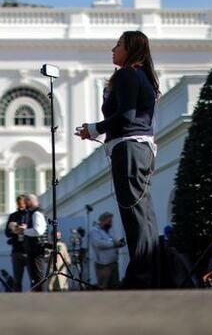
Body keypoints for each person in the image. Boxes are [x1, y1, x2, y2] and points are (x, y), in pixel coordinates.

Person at [76, 31, 161, 288]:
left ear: (130, 49)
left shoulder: (126, 74)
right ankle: (149, 274)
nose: (112, 50)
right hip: (139, 150)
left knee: (133, 215)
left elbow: (126, 116)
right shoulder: (142, 75)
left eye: (118, 45)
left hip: (129, 151)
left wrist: (94, 128)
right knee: (143, 214)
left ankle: (141, 277)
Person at [15, 193, 47, 291]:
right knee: (36, 277)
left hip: (36, 251)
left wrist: (23, 231)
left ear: (30, 201)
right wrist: (26, 228)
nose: (24, 204)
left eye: (26, 201)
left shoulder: (36, 213)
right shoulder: (35, 213)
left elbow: (38, 231)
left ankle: (41, 299)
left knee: (38, 276)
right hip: (34, 250)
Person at [89, 212, 125, 289]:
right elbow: (99, 244)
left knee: (115, 286)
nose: (111, 224)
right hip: (103, 265)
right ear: (103, 220)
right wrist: (114, 244)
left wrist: (119, 243)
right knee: (104, 287)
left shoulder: (108, 231)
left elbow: (112, 241)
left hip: (113, 263)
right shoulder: (94, 231)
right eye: (109, 221)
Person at [5, 194, 28, 291]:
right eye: (19, 204)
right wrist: (14, 230)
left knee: (34, 278)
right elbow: (7, 233)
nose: (21, 205)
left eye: (22, 203)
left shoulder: (30, 215)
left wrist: (25, 229)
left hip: (29, 251)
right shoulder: (13, 216)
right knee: (17, 280)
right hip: (17, 251)